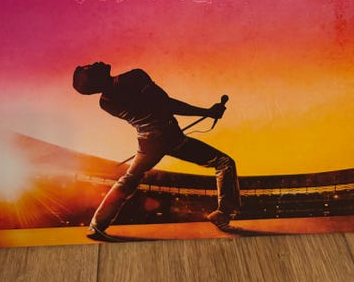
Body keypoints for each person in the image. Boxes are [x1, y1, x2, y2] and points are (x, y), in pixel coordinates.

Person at [73, 61, 241, 240]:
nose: (95, 63)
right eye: (90, 67)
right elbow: (166, 105)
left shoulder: (105, 103)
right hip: (169, 137)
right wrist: (207, 112)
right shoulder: (134, 77)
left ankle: (97, 225)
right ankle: (223, 213)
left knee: (129, 180)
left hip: (147, 143)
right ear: (96, 78)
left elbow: (151, 110)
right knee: (224, 162)